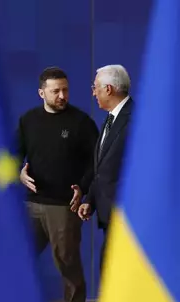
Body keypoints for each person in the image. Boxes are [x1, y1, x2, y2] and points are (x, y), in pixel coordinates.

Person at [17, 67, 99, 302]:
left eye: (65, 89)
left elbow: (96, 163)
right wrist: (19, 173)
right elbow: (15, 154)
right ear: (42, 93)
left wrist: (83, 188)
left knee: (68, 266)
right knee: (18, 261)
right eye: (55, 91)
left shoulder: (81, 123)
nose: (62, 95)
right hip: (31, 206)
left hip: (64, 208)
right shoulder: (28, 120)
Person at [78, 64, 133, 269]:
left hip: (126, 216)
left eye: (95, 88)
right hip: (108, 213)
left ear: (108, 89)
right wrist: (90, 200)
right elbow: (103, 168)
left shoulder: (136, 119)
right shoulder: (111, 119)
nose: (93, 93)